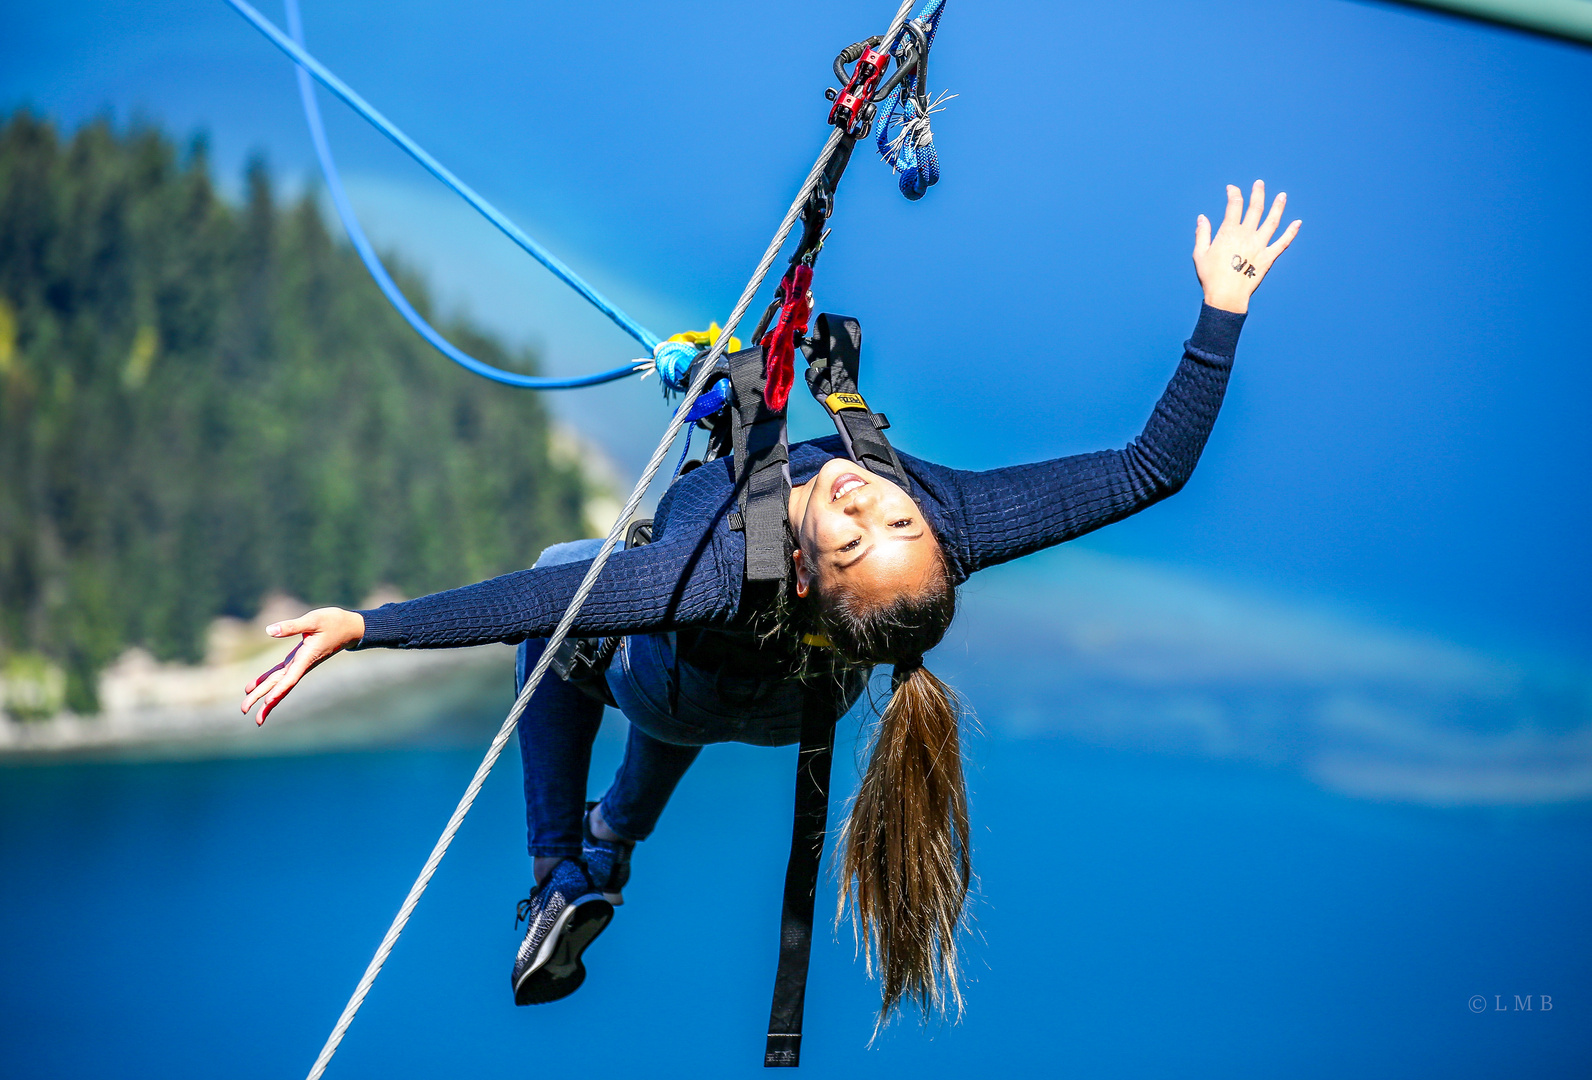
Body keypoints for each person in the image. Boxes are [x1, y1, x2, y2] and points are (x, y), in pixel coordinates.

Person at [241, 181, 1301, 1021]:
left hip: (693, 678)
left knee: (589, 594)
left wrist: (366, 628)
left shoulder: (704, 577)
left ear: (808, 576)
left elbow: (543, 601)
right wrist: (1224, 307)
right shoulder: (948, 533)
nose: (866, 499)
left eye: (850, 536)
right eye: (895, 521)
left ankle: (561, 866)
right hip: (795, 706)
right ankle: (613, 846)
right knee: (694, 682)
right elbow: (1147, 470)